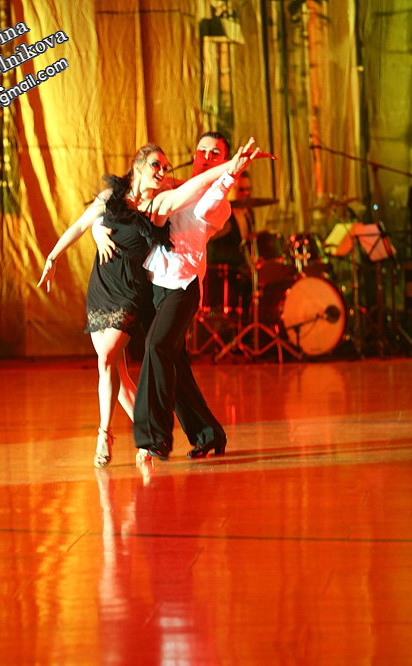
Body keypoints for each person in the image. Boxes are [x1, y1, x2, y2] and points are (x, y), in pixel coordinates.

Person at [38, 139, 258, 468]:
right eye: (156, 165)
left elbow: (200, 187)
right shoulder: (136, 193)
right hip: (121, 287)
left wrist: (231, 170)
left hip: (163, 288)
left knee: (131, 353)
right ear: (139, 165)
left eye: (217, 154)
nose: (162, 171)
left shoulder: (183, 201)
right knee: (139, 366)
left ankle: (132, 437)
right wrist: (76, 242)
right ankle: (201, 434)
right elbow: (88, 219)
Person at [96, 132, 273, 462]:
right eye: (203, 150)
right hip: (153, 285)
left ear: (224, 160)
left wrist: (230, 172)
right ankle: (208, 434)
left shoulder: (219, 202)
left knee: (156, 348)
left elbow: (205, 199)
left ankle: (154, 438)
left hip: (182, 286)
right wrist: (96, 230)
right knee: (175, 365)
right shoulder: (169, 184)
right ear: (194, 155)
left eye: (216, 153)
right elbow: (117, 201)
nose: (207, 156)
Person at [206, 170, 255, 321]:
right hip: (225, 274)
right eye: (241, 189)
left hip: (244, 270)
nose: (246, 193)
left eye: (248, 189)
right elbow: (212, 250)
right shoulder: (221, 214)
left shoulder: (249, 212)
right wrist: (242, 258)